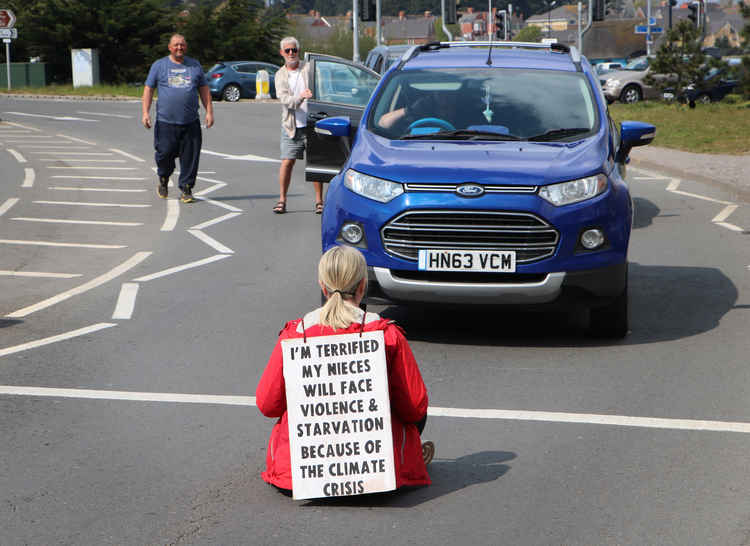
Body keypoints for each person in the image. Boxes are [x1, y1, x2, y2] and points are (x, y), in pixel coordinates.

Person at [256, 245, 434, 494]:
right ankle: (408, 452)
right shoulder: (385, 333)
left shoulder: (295, 334)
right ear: (363, 285)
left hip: (300, 475)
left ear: (322, 285)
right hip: (377, 474)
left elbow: (267, 404)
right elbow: (414, 407)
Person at [141, 34, 214, 204]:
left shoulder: (194, 65)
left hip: (190, 122)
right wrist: (145, 112)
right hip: (166, 122)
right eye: (176, 45)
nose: (179, 48)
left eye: (182, 45)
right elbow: (148, 89)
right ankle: (164, 178)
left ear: (186, 47)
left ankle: (186, 188)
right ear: (169, 47)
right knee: (164, 154)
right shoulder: (159, 66)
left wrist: (209, 112)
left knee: (190, 157)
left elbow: (204, 90)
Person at [273, 36, 324, 214]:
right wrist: (302, 96)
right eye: (287, 50)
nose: (291, 53)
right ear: (282, 53)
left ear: (298, 51)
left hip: (312, 123)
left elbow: (321, 87)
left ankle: (319, 201)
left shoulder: (309, 68)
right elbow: (286, 101)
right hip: (291, 125)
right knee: (287, 161)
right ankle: (282, 200)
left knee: (315, 163)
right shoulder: (280, 75)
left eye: (294, 50)